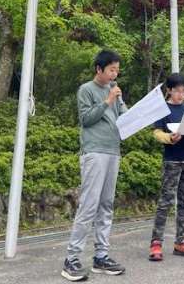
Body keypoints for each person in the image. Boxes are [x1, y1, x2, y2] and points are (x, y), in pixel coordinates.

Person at [62, 49, 127, 281]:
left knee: (106, 204)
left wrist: (134, 115)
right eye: (111, 70)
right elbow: (86, 119)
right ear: (99, 69)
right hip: (94, 152)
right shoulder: (86, 90)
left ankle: (101, 256)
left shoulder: (115, 91)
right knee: (89, 205)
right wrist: (107, 101)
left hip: (113, 151)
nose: (114, 74)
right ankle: (71, 259)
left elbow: (123, 116)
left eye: (117, 70)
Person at [149, 73, 184, 262]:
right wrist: (169, 138)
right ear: (169, 90)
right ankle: (156, 243)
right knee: (165, 201)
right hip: (172, 160)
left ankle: (181, 242)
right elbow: (156, 133)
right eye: (177, 91)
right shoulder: (162, 109)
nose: (181, 94)